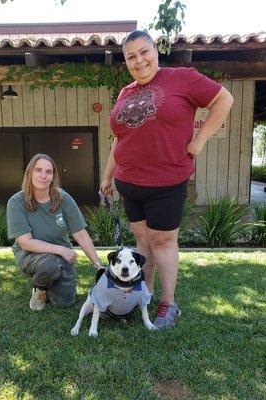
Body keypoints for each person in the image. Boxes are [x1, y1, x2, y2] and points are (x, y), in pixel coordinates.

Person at [100, 30, 234, 329]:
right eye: (131, 56)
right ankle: (142, 297)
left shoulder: (182, 78)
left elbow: (224, 99)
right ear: (126, 61)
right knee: (142, 243)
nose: (139, 60)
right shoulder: (125, 93)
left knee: (162, 241)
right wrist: (107, 176)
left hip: (166, 183)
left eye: (144, 52)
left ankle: (168, 304)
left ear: (156, 51)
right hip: (129, 183)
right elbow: (118, 139)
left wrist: (198, 142)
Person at [7, 153, 104, 311]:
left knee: (65, 303)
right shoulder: (16, 202)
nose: (43, 176)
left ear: (53, 177)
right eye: (38, 170)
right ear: (30, 173)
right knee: (49, 265)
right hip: (31, 255)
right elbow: (25, 242)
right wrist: (60, 249)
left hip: (61, 256)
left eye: (48, 172)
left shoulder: (63, 199)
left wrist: (99, 266)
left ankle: (52, 285)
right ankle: (40, 289)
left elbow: (81, 235)